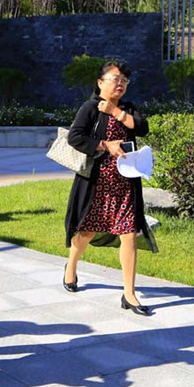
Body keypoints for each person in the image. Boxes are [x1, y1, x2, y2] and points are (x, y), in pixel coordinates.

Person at [63, 61, 157, 315]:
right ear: (100, 82)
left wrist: (116, 112)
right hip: (97, 183)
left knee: (129, 234)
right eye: (115, 79)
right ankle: (71, 265)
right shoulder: (90, 108)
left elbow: (142, 127)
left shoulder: (126, 108)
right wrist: (105, 145)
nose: (120, 84)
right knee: (87, 232)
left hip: (125, 183)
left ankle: (129, 294)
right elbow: (75, 137)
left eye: (124, 80)